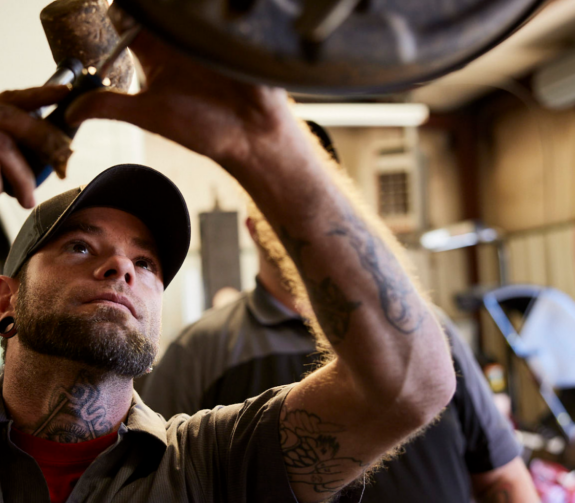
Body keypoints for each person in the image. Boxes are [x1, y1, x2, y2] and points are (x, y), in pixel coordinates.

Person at [0, 8, 455, 503]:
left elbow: (409, 385)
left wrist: (266, 146)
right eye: (80, 244)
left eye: (146, 263)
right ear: (5, 300)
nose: (122, 268)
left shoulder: (215, 464)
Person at [141, 202, 541, 502]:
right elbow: (152, 484)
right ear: (252, 226)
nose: (306, 217)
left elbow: (503, 478)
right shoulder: (201, 349)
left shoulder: (427, 332)